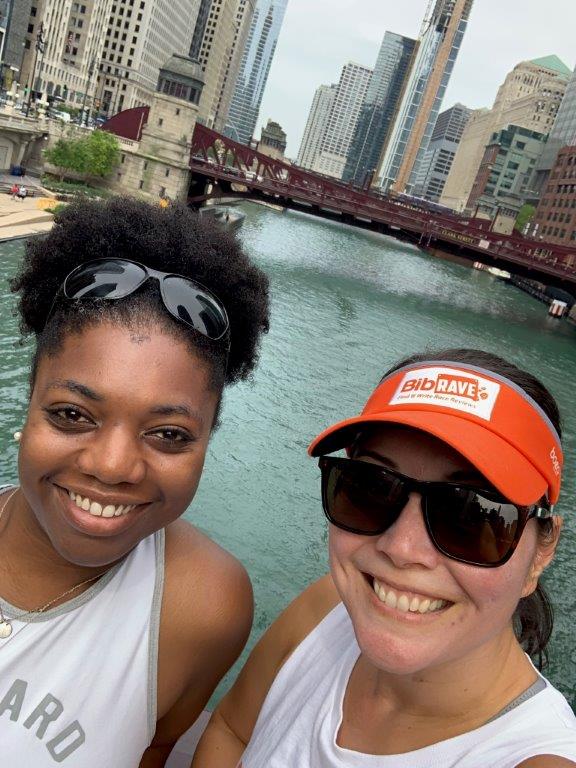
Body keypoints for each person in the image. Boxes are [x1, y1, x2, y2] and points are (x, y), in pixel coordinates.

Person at [193, 349, 576, 768]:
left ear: (542, 553)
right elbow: (233, 729)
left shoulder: (535, 758)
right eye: (371, 488)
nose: (402, 548)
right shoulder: (328, 607)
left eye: (471, 513)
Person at [1, 196, 269, 766]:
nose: (113, 466)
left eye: (169, 434)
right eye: (72, 414)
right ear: (27, 406)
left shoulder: (203, 608)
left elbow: (156, 750)